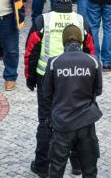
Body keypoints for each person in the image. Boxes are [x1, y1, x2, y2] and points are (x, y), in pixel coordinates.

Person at [24, 0, 95, 178]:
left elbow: (31, 51)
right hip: (77, 77)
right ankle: (78, 164)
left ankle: (42, 166)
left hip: (46, 76)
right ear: (72, 0)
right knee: (78, 118)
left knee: (46, 121)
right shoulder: (81, 21)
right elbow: (90, 51)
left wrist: (30, 77)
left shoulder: (43, 20)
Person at [43, 24, 102, 178]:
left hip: (62, 123)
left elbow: (46, 94)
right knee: (89, 169)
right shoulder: (93, 61)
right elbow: (98, 90)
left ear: (63, 41)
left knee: (56, 168)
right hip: (86, 122)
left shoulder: (53, 63)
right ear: (81, 40)